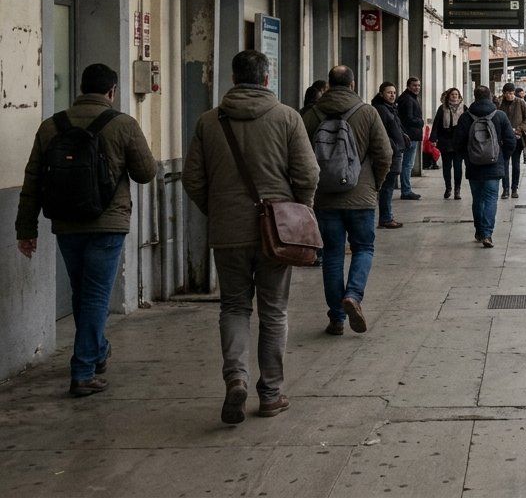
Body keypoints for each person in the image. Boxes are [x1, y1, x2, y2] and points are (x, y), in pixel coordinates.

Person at [183, 51, 317, 423]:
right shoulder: (287, 118)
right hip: (277, 231)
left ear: (232, 76)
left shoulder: (209, 122)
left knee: (234, 307)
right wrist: (299, 213)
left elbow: (192, 178)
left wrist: (221, 210)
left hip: (228, 232)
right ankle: (271, 393)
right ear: (267, 77)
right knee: (274, 311)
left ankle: (236, 379)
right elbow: (308, 173)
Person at [16, 63, 155, 397]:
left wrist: (26, 228)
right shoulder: (123, 124)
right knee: (95, 294)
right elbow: (146, 172)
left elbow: (33, 179)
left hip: (66, 223)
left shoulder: (51, 126)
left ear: (81, 88)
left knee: (83, 292)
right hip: (107, 224)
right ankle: (83, 370)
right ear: (112, 91)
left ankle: (98, 349)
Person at [304, 66, 393, 337]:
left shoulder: (312, 114)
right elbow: (384, 153)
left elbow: (300, 157)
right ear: (353, 84)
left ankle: (336, 318)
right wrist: (374, 184)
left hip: (325, 198)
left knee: (332, 255)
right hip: (361, 196)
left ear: (328, 85)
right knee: (364, 248)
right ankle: (353, 295)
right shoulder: (367, 112)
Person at [456, 85, 516, 247]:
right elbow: (511, 141)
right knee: (490, 198)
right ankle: (488, 234)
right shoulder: (500, 116)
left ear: (474, 97)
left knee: (478, 199)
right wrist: (503, 158)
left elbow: (458, 143)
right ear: (490, 97)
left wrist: (467, 158)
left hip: (474, 165)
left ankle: (479, 230)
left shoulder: (465, 117)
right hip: (494, 164)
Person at [371, 83, 409, 229]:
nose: (392, 95)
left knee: (389, 185)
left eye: (394, 92)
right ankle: (386, 218)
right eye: (389, 93)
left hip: (396, 151)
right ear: (381, 94)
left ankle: (387, 216)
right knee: (387, 186)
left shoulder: (391, 108)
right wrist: (393, 145)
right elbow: (382, 133)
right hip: (390, 152)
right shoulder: (381, 109)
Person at [497, 82, 526, 198]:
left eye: (512, 93)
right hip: (504, 139)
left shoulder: (521, 102)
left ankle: (514, 188)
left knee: (516, 164)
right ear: (504, 93)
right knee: (504, 165)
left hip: (517, 138)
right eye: (508, 93)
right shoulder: (500, 103)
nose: (510, 96)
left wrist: (519, 129)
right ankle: (505, 189)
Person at [430, 88, 467, 200]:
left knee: (458, 167)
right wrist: (433, 138)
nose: (454, 96)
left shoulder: (464, 108)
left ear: (459, 96)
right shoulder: (442, 108)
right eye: (452, 94)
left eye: (456, 94)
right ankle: (448, 188)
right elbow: (436, 124)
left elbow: (469, 123)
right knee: (446, 167)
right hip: (445, 141)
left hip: (459, 142)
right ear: (448, 96)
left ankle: (457, 190)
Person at [395, 77, 423, 200]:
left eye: (418, 85)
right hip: (409, 136)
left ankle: (405, 189)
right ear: (408, 86)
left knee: (406, 164)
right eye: (414, 85)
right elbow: (408, 118)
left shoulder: (409, 98)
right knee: (407, 164)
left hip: (409, 135)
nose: (417, 88)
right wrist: (420, 122)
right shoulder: (408, 99)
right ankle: (406, 190)